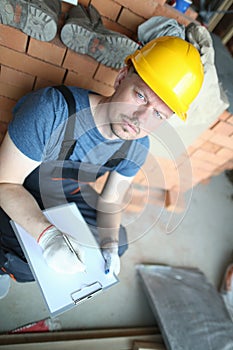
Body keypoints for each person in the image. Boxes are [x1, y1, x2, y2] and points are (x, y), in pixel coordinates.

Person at [0, 34, 204, 297]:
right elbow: (5, 183)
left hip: (64, 189)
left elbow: (110, 201)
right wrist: (47, 235)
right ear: (121, 78)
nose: (140, 118)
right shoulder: (51, 111)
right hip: (17, 183)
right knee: (27, 262)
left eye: (158, 114)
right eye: (141, 96)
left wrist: (108, 244)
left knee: (115, 242)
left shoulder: (137, 147)